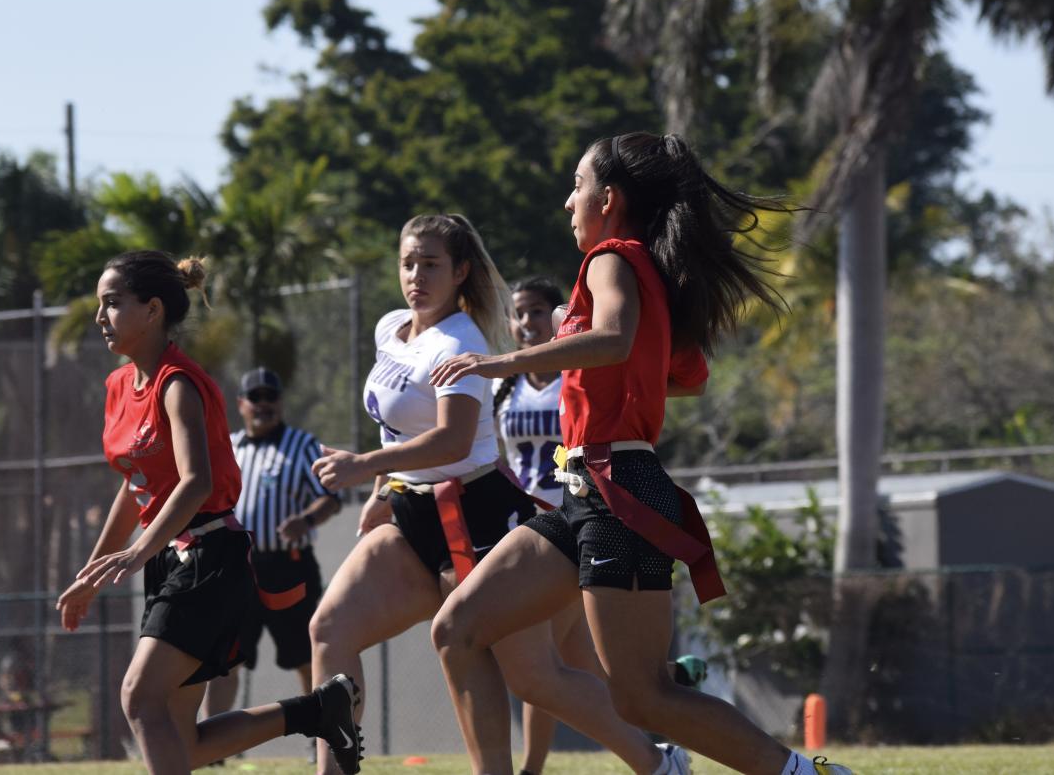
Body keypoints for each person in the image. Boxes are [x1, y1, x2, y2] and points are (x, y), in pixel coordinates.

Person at [430, 133, 855, 775]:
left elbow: (614, 336)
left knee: (642, 697)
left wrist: (507, 361)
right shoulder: (642, 268)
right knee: (457, 628)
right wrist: (619, 380)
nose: (567, 201)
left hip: (619, 489)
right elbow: (686, 375)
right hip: (584, 491)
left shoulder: (611, 257)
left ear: (609, 198)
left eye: (576, 186)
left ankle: (807, 774)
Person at [308, 214, 686, 775]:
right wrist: (384, 487)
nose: (416, 275)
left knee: (535, 678)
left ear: (461, 271)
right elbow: (397, 426)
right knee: (329, 631)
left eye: (431, 264)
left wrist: (366, 466)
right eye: (408, 262)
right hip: (412, 511)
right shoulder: (389, 327)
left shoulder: (461, 340)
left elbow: (453, 438)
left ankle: (657, 762)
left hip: (478, 513)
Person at [55, 251, 362, 775]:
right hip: (172, 561)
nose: (100, 317)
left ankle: (317, 709)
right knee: (184, 742)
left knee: (139, 697)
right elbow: (136, 487)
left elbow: (196, 483)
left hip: (209, 560)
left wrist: (135, 551)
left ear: (152, 310)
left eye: (112, 303)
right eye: (100, 305)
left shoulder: (178, 384)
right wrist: (93, 570)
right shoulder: (118, 387)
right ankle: (316, 709)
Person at [495, 276, 704, 775]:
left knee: (544, 666)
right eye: (518, 313)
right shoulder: (506, 387)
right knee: (574, 665)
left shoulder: (578, 360)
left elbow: (674, 378)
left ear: (560, 315)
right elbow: (498, 455)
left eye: (536, 312)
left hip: (578, 511)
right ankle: (666, 689)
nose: (526, 323)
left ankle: (534, 769)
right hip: (530, 523)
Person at [203, 366, 342, 719]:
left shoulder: (303, 445)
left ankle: (322, 736)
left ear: (280, 402)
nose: (264, 404)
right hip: (237, 569)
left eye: (271, 397)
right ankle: (211, 747)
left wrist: (307, 519)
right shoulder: (228, 447)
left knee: (306, 656)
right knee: (224, 658)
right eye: (256, 397)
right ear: (241, 404)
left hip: (288, 568)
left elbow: (330, 496)